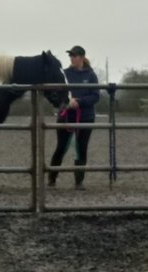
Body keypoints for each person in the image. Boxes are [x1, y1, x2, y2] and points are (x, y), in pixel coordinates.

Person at [48, 45, 100, 190]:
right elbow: (56, 93)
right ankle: (52, 178)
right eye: (70, 55)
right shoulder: (64, 74)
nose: (71, 58)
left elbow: (95, 95)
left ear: (82, 57)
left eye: (74, 55)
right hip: (66, 116)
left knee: (81, 148)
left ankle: (79, 181)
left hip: (86, 117)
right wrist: (66, 103)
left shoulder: (90, 75)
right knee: (61, 147)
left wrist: (79, 102)